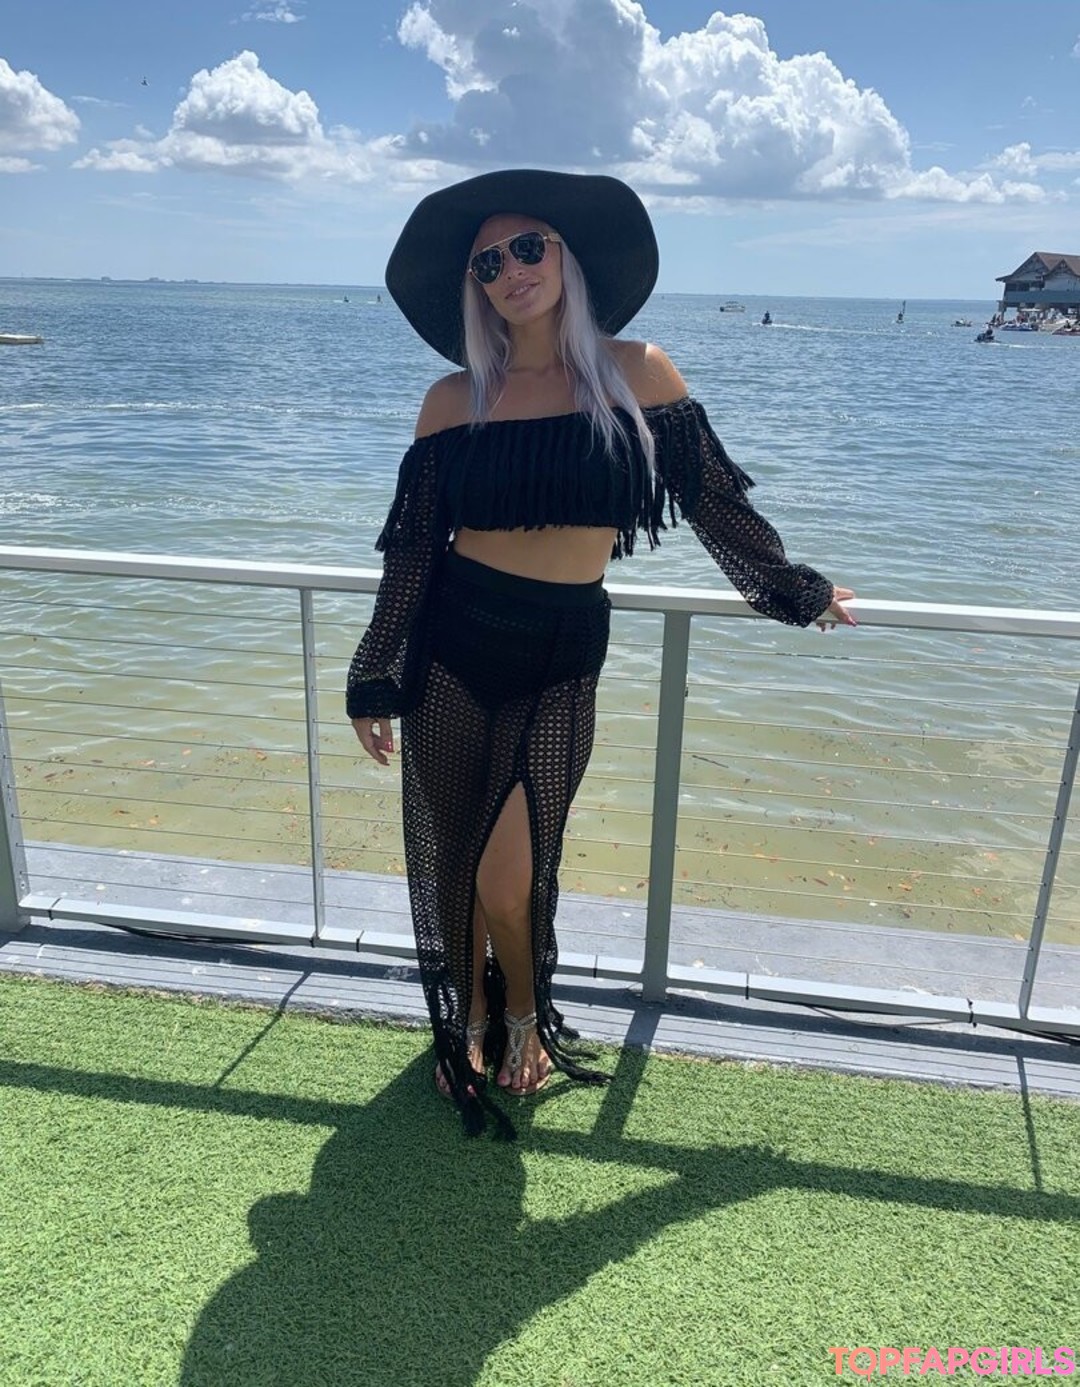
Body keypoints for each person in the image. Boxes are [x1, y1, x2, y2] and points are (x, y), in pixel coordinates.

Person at [347, 169, 855, 1137]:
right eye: (487, 263)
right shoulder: (454, 400)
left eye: (527, 247)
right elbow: (411, 553)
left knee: (511, 877)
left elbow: (714, 502)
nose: (510, 271)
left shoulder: (638, 375)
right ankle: (469, 1021)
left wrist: (797, 590)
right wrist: (375, 670)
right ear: (475, 288)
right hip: (452, 646)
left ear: (565, 255)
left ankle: (526, 1011)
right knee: (456, 862)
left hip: (562, 654)